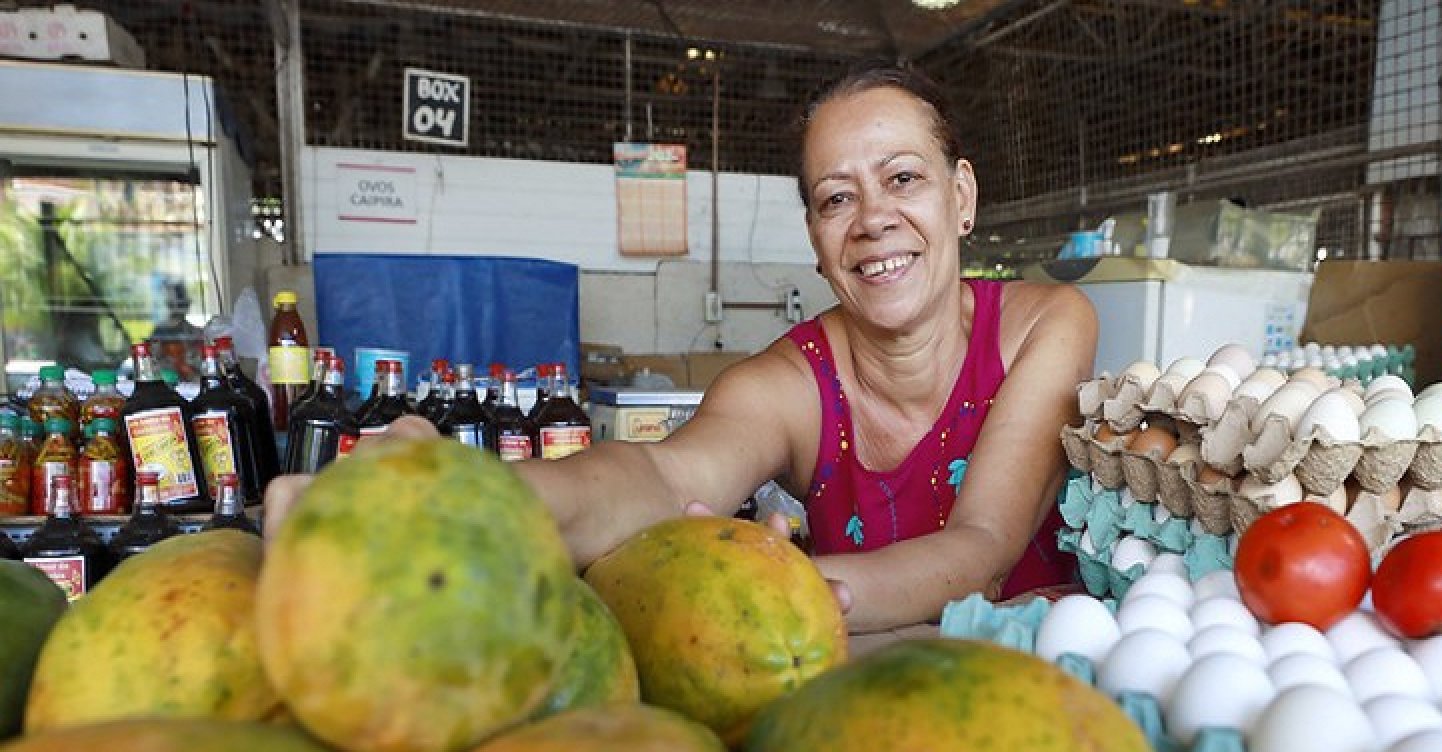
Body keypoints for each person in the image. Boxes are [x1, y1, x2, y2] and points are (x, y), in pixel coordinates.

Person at [266, 62, 1098, 632]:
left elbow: (984, 548)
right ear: (815, 239)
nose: (873, 218)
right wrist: (469, 498)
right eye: (837, 198)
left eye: (904, 178)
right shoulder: (790, 384)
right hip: (858, 704)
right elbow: (661, 476)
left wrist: (795, 587)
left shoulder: (1044, 326)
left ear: (962, 196)